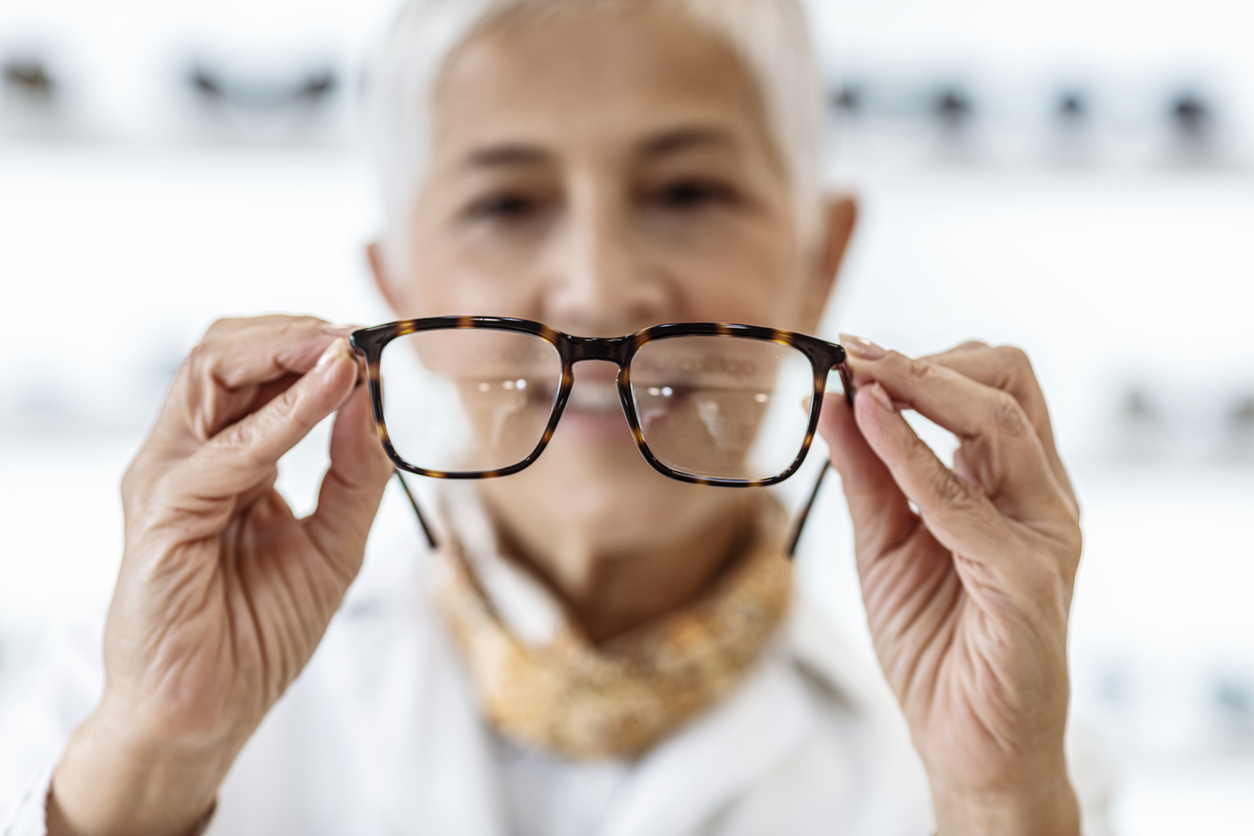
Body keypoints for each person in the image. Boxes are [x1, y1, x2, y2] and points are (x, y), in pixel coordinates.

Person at [0, 1, 1106, 834]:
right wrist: (155, 764)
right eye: (507, 203)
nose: (599, 289)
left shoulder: (1008, 756)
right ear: (399, 288)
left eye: (686, 192)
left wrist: (993, 806)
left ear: (823, 258)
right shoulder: (120, 702)